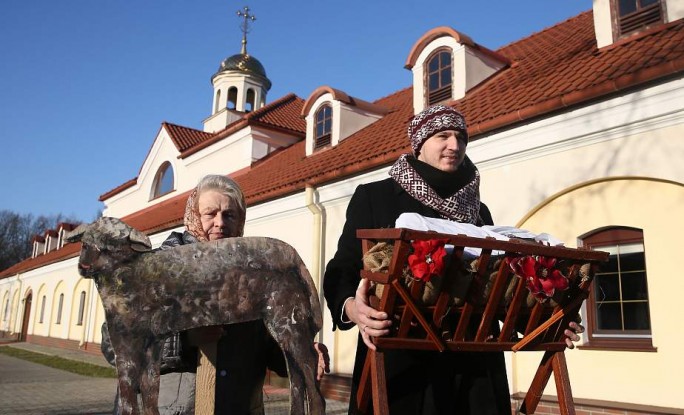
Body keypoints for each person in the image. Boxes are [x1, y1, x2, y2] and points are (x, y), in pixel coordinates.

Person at [323, 104, 582, 414]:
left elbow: (493, 284)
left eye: (461, 137)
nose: (454, 145)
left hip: (473, 359)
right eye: (442, 135)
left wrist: (542, 323)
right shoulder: (376, 197)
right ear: (419, 144)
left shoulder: (479, 211)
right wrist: (353, 308)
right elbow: (342, 268)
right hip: (401, 356)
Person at [102, 174, 329, 414]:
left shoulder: (256, 275)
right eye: (210, 214)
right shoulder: (156, 270)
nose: (220, 222)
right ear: (193, 217)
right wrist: (184, 342)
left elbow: (270, 349)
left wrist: (302, 352)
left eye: (229, 215)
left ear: (240, 220)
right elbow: (114, 344)